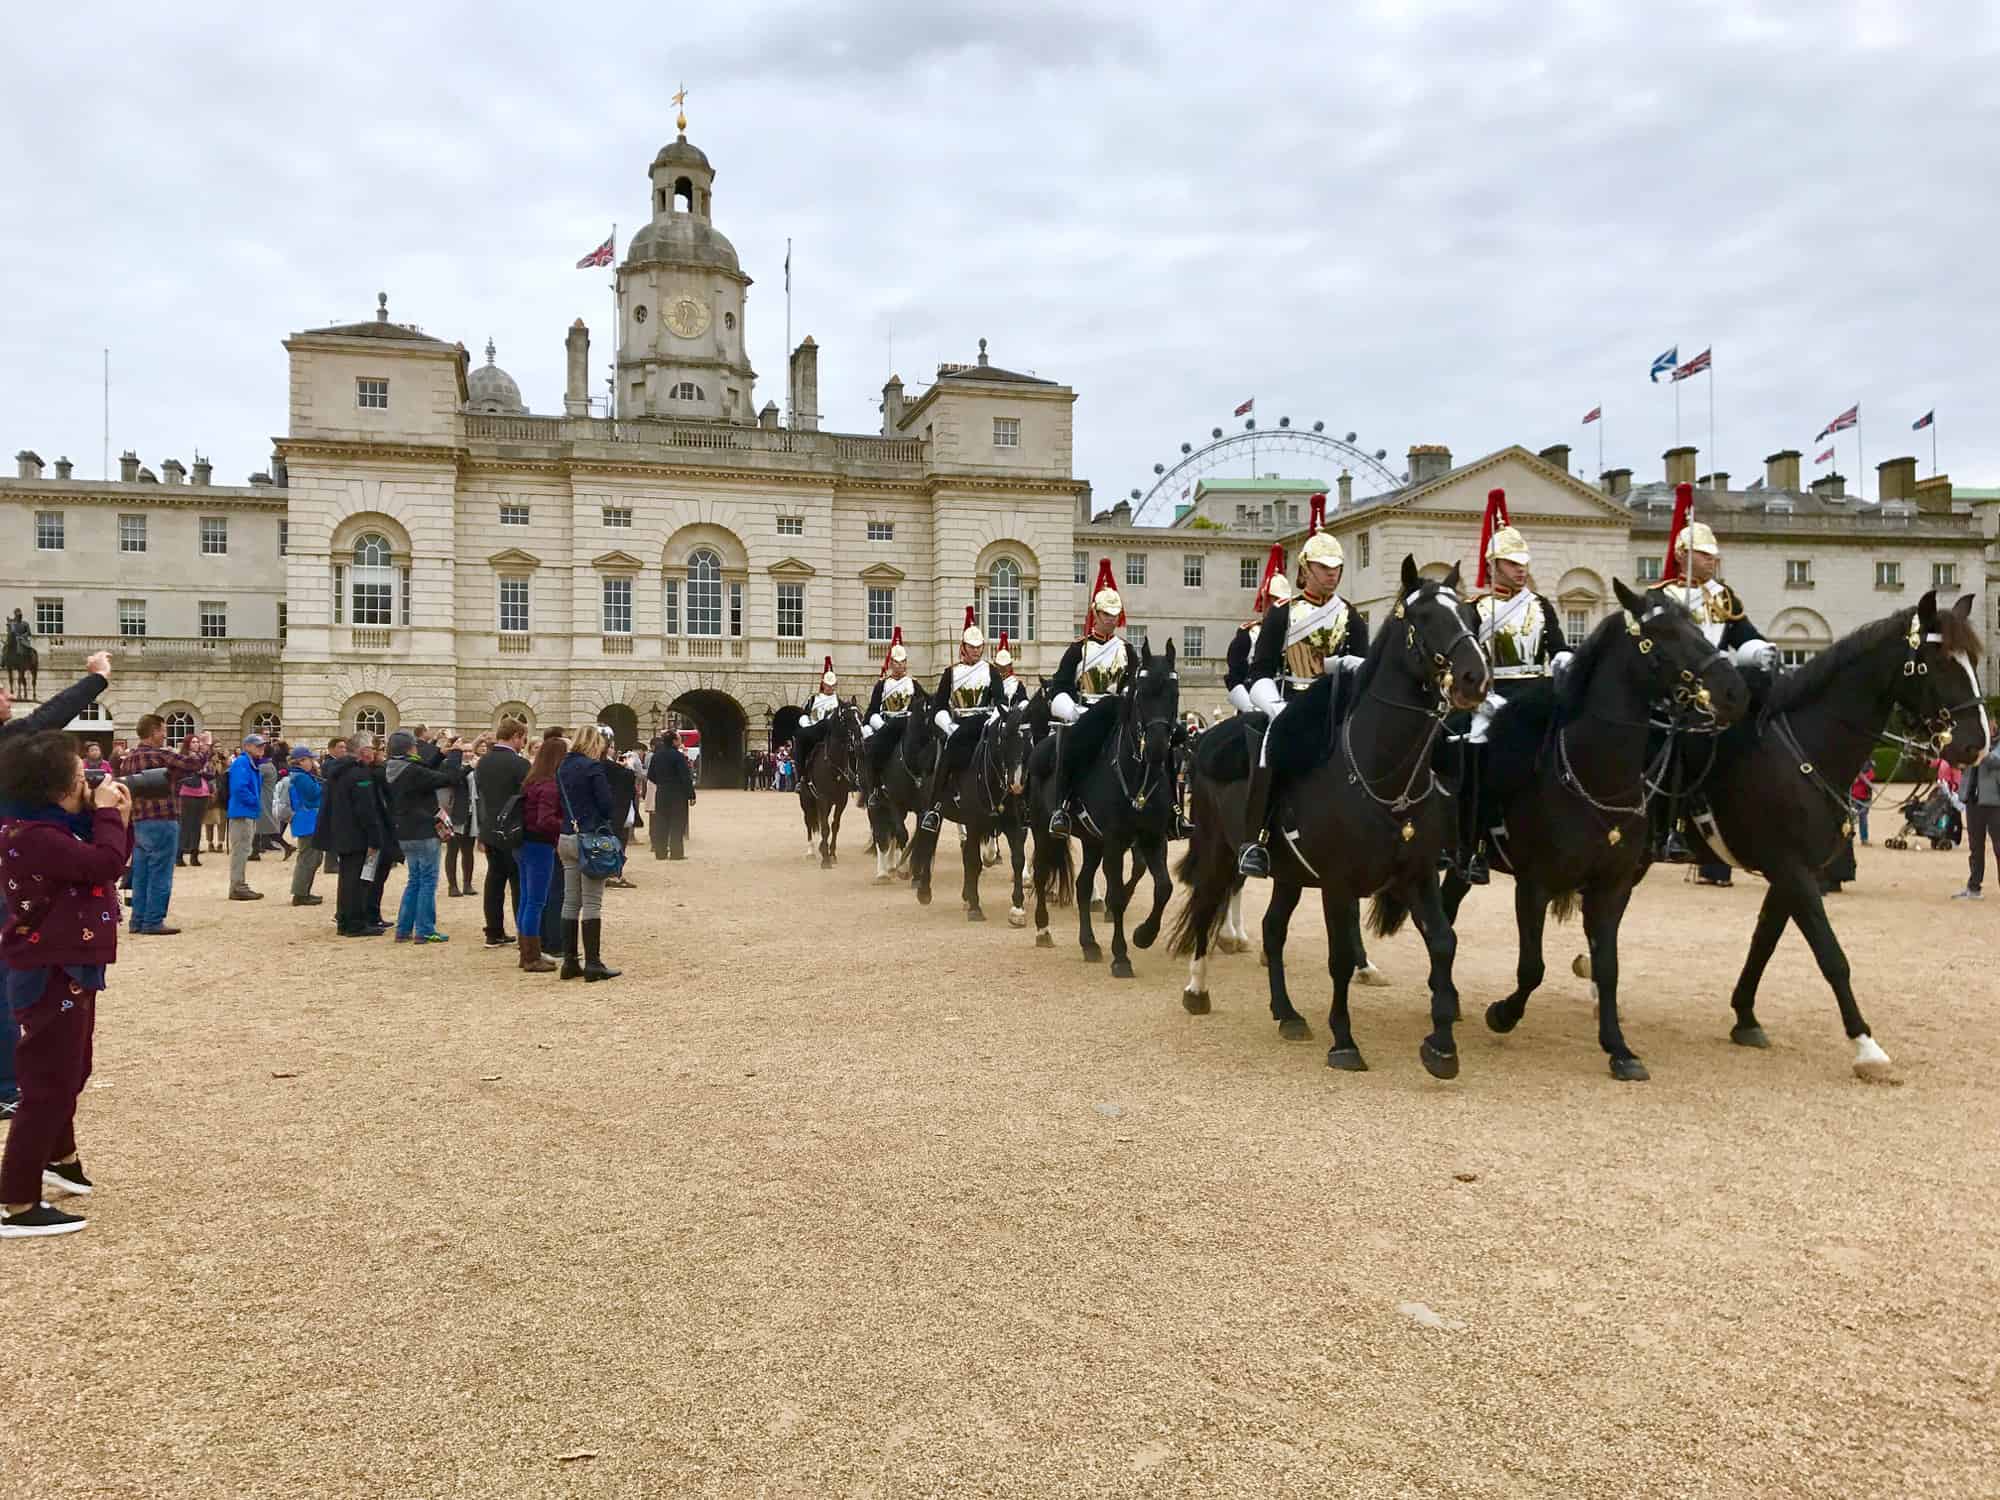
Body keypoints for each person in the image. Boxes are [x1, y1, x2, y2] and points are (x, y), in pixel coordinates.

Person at [0, 731, 131, 1237]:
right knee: (47, 1084)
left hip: (69, 961)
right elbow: (104, 862)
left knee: (72, 1068)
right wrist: (104, 816)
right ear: (56, 789)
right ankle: (15, 1201)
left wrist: (116, 815)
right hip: (50, 966)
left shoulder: (51, 827)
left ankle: (60, 1156)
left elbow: (109, 854)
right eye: (80, 777)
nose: (89, 783)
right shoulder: (32, 836)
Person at [1237, 497, 1371, 879]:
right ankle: (1256, 840)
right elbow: (1259, 672)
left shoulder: (1351, 616)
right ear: (1305, 570)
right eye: (1323, 568)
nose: (1332, 574)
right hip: (1292, 699)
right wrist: (1277, 708)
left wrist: (1344, 667)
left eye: (1337, 568)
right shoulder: (1283, 615)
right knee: (1269, 749)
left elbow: (1363, 664)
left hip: (1339, 702)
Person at [1657, 482, 1780, 874]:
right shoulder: (1663, 596)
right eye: (1704, 555)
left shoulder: (1723, 597)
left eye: (1714, 556)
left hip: (1714, 690)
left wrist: (1762, 650)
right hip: (1673, 691)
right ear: (1682, 556)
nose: (1713, 562)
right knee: (1672, 745)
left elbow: (1745, 635)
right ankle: (1670, 827)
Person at [1045, 561, 1132, 835]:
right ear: (1095, 613)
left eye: (1115, 614)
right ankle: (1062, 806)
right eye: (1106, 614)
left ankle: (1170, 812)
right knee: (1068, 748)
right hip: (1086, 715)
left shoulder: (1128, 650)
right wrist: (1072, 711)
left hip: (1118, 715)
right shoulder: (1077, 650)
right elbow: (1058, 687)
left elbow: (1132, 685)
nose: (1111, 619)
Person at [116, 714, 213, 936]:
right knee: (161, 871)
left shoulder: (129, 759)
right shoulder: (161, 754)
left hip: (139, 820)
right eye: (162, 730)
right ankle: (153, 920)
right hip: (163, 818)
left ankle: (137, 920)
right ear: (153, 732)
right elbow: (194, 763)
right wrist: (206, 746)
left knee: (141, 873)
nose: (165, 734)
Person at [382, 729, 468, 944]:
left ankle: (403, 929)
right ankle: (425, 930)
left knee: (414, 880)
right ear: (410, 748)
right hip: (424, 829)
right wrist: (456, 755)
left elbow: (424, 770)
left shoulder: (392, 767)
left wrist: (441, 753)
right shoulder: (413, 771)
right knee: (428, 881)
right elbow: (449, 778)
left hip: (404, 830)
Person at [920, 608, 997, 834]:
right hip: (960, 727)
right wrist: (949, 726)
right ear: (963, 647)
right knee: (946, 754)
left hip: (985, 724)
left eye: (979, 646)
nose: (976, 651)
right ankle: (935, 808)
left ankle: (1019, 805)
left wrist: (993, 720)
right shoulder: (950, 673)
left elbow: (1000, 700)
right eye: (972, 647)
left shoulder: (990, 671)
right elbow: (938, 707)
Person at [556, 724, 621, 982]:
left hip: (566, 836)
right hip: (590, 836)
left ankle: (570, 961)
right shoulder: (593, 767)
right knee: (592, 902)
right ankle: (593, 963)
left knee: (571, 900)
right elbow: (606, 805)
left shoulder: (562, 767)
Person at [320, 733, 389, 938]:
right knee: (356, 881)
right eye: (370, 749)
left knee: (347, 878)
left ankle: (345, 919)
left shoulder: (339, 770)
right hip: (356, 833)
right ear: (362, 751)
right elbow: (366, 810)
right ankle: (355, 923)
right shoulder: (359, 774)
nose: (374, 752)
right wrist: (375, 838)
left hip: (342, 830)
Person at [476, 718, 530, 949]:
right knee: (519, 882)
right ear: (516, 736)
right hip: (515, 829)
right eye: (523, 739)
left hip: (490, 827)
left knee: (494, 880)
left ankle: (494, 931)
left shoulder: (483, 762)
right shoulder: (520, 765)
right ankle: (524, 933)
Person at [514, 734, 565, 971]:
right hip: (540, 844)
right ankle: (532, 956)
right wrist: (565, 825)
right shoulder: (550, 786)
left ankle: (526, 951)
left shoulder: (531, 781)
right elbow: (545, 820)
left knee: (526, 899)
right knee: (536, 901)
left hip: (524, 842)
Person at [1226, 544, 1292, 717]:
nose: (1276, 606)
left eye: (1281, 601)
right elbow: (1234, 678)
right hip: (1252, 707)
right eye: (1272, 600)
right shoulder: (1247, 634)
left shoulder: (1295, 631)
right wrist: (1250, 709)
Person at [861, 627, 918, 810]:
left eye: (902, 662)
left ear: (906, 663)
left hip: (909, 725)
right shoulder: (882, 685)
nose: (899, 666)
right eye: (896, 662)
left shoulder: (913, 684)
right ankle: (875, 789)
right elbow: (872, 710)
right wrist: (882, 724)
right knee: (874, 752)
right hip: (888, 725)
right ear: (890, 663)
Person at [1955, 728, 2000, 900]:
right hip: (1973, 801)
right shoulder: (1972, 744)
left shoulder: (1993, 744)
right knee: (1975, 848)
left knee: (1999, 847)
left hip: (1995, 802)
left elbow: (1994, 761)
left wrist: (1977, 750)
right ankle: (1974, 887)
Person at [225, 736, 269, 899]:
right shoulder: (242, 763)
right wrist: (255, 802)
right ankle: (238, 887)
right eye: (258, 746)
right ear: (247, 746)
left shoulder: (247, 762)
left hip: (245, 811)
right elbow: (239, 788)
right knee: (241, 851)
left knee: (243, 850)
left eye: (262, 746)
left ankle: (239, 885)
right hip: (242, 812)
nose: (261, 749)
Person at [285, 746, 325, 906]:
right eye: (310, 759)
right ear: (301, 761)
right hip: (308, 820)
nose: (313, 762)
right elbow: (313, 794)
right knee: (309, 858)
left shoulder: (299, 775)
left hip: (306, 820)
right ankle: (301, 894)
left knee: (311, 857)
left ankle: (303, 892)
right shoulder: (301, 777)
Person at [648, 730, 696, 860]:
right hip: (677, 794)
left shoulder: (656, 756)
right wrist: (691, 795)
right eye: (679, 739)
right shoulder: (678, 756)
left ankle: (660, 852)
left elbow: (650, 775)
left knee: (661, 822)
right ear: (674, 741)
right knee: (677, 823)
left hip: (662, 792)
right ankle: (676, 852)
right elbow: (685, 777)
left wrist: (661, 783)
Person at [601, 735, 640, 889]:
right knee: (618, 841)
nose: (614, 750)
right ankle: (615, 874)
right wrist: (628, 767)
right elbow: (628, 779)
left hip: (611, 810)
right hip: (617, 809)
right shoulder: (610, 765)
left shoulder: (600, 764)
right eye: (611, 747)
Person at [793, 658, 843, 769]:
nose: (830, 687)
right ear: (823, 684)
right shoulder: (813, 699)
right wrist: (807, 725)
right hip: (814, 730)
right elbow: (805, 714)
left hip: (832, 732)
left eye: (832, 685)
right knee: (799, 735)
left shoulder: (839, 702)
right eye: (827, 685)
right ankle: (800, 773)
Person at [444, 741, 478, 899]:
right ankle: (452, 885)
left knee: (468, 851)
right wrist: (470, 767)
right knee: (452, 850)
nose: (468, 753)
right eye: (464, 751)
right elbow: (455, 779)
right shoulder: (451, 766)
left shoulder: (476, 766)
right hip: (455, 812)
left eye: (470, 750)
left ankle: (467, 883)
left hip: (472, 812)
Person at [175, 749, 213, 868]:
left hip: (203, 793)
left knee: (197, 825)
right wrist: (197, 771)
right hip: (187, 793)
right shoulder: (182, 759)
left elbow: (211, 774)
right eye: (193, 742)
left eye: (197, 742)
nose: (196, 744)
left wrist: (202, 772)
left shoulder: (203, 759)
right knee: (185, 825)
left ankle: (194, 855)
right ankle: (179, 855)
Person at [1851, 764, 1878, 846]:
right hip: (1855, 797)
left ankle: (1864, 839)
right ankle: (1849, 839)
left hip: (1864, 798)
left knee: (1863, 819)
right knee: (1851, 819)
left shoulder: (1870, 772)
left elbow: (1868, 780)